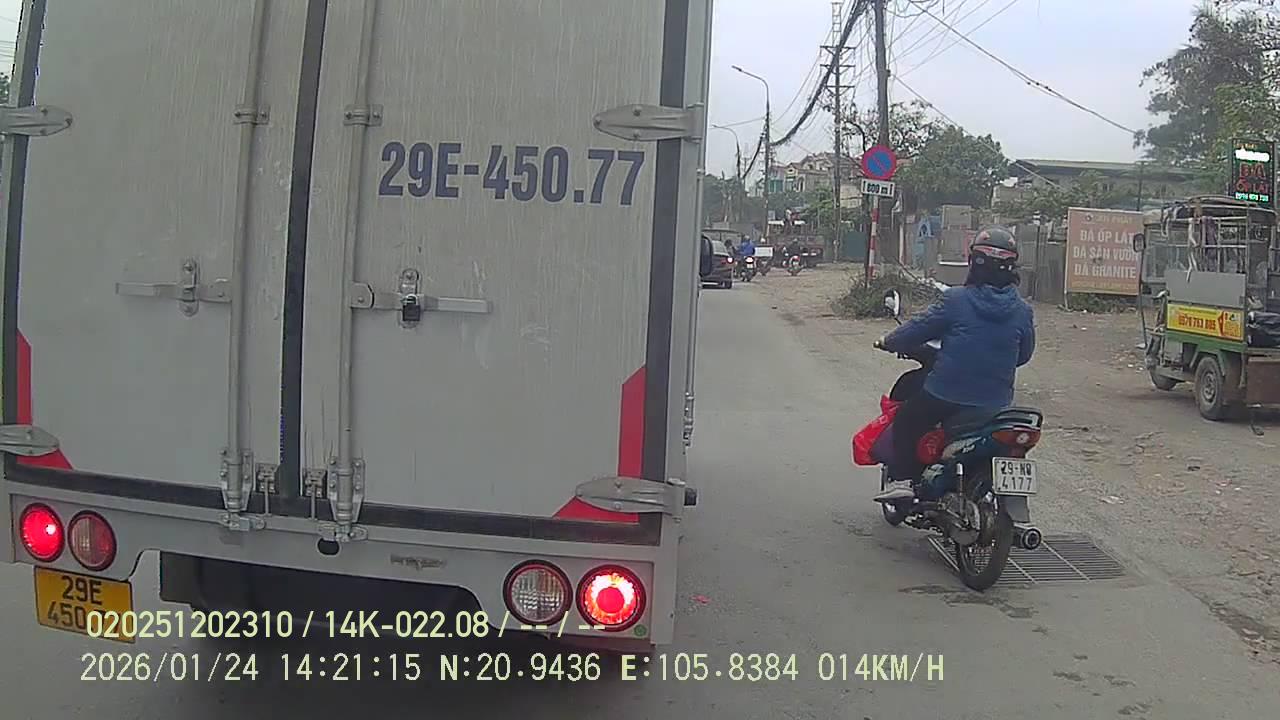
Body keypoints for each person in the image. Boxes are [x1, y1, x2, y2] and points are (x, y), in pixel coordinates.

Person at [872, 226, 1036, 502]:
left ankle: (903, 480)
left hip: (946, 395)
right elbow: (1024, 355)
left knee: (908, 417)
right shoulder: (1022, 310)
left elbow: (917, 329)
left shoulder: (956, 300)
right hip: (996, 404)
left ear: (974, 262)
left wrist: (889, 341)